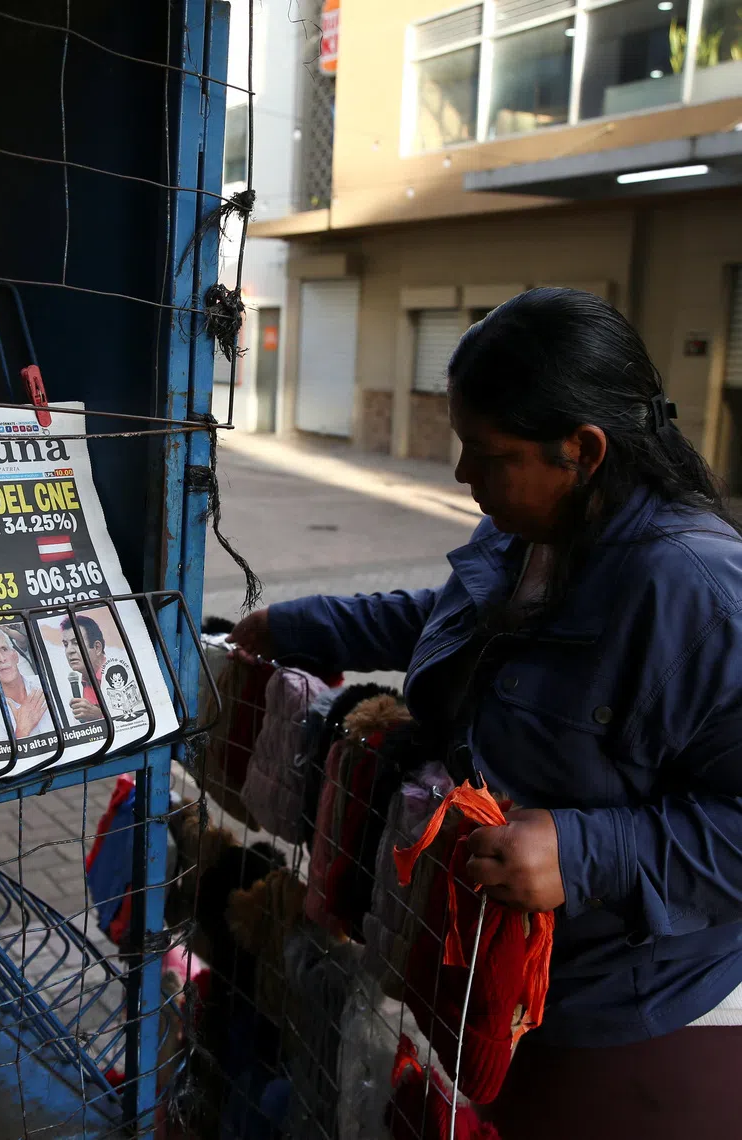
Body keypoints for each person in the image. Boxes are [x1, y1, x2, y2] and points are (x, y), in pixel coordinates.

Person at [230, 288, 742, 1136]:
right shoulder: (539, 529)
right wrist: (298, 624)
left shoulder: (697, 594)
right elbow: (451, 614)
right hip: (502, 979)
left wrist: (586, 851)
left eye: (485, 452)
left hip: (626, 1018)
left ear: (582, 449)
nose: (461, 474)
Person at [0, 625, 52, 741]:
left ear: (15, 656)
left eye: (4, 649)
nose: (1, 659)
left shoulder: (43, 684)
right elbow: (6, 758)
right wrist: (21, 731)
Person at [61, 614, 109, 722]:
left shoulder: (118, 673)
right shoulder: (81, 683)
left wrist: (99, 715)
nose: (69, 651)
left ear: (97, 647)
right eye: (65, 644)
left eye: (76, 643)